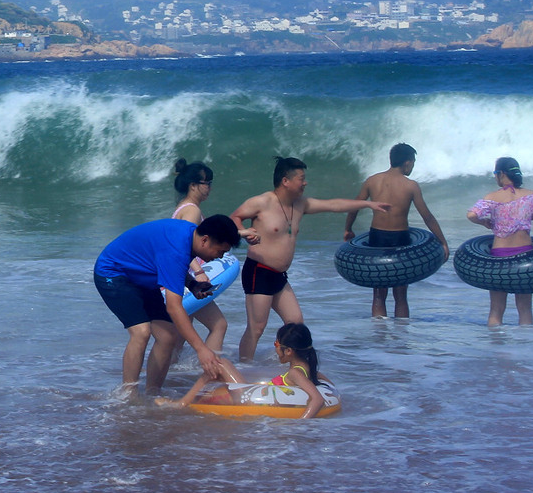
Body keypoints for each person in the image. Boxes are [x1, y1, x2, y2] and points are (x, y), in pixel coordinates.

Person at [231, 156, 391, 361]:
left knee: (296, 322)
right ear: (285, 181)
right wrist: (244, 231)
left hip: (280, 275)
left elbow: (334, 205)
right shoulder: (262, 202)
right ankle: (244, 367)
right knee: (257, 327)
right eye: (301, 178)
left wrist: (369, 204)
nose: (305, 183)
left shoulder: (300, 205)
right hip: (259, 271)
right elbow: (234, 216)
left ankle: (292, 365)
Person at [95, 214, 241, 395]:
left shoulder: (189, 235)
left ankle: (153, 392)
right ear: (205, 240)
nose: (219, 257)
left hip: (144, 278)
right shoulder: (177, 249)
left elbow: (169, 264)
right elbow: (174, 307)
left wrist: (193, 284)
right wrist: (201, 349)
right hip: (114, 273)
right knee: (141, 332)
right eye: (220, 251)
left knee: (168, 336)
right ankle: (128, 397)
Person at [343, 143, 450, 318]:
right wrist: (442, 242)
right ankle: (401, 339)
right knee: (401, 295)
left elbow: (354, 207)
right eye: (413, 163)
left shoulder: (372, 180)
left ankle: (379, 336)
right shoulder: (411, 186)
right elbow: (427, 217)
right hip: (400, 238)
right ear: (407, 163)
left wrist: (348, 229)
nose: (413, 167)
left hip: (376, 237)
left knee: (379, 294)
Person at [156, 322, 329, 419]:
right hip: (254, 395)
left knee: (220, 363)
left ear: (289, 351)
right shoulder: (308, 369)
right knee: (218, 372)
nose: (275, 348)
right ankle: (189, 401)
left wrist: (302, 425)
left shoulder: (295, 373)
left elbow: (317, 399)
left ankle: (182, 403)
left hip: (249, 399)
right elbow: (323, 384)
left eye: (277, 344)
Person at [466, 157, 533, 326]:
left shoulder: (493, 197)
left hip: (499, 257)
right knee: (524, 308)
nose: (495, 177)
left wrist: (484, 222)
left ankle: (496, 347)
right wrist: (531, 217)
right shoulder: (531, 196)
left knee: (496, 309)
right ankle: (525, 346)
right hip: (525, 257)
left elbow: (471, 215)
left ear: (501, 174)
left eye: (495, 173)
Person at [170, 158, 227, 353]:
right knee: (219, 325)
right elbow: (184, 246)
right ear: (193, 185)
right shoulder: (192, 211)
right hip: (189, 279)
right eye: (207, 183)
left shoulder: (184, 207)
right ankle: (210, 370)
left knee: (179, 337)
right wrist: (199, 272)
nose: (210, 188)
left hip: (180, 278)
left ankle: (172, 377)